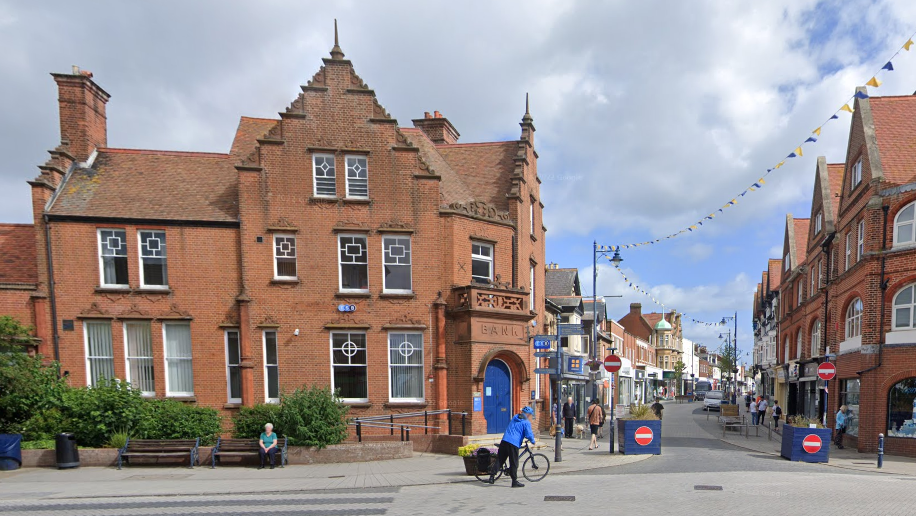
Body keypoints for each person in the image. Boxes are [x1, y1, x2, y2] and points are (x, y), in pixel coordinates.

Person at [489, 406, 536, 488]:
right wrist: (533, 441)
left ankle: (492, 477)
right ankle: (514, 481)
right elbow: (528, 434)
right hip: (513, 443)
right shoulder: (526, 422)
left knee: (500, 460)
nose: (530, 416)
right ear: (528, 414)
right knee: (514, 463)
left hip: (505, 440)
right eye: (530, 415)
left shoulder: (515, 417)